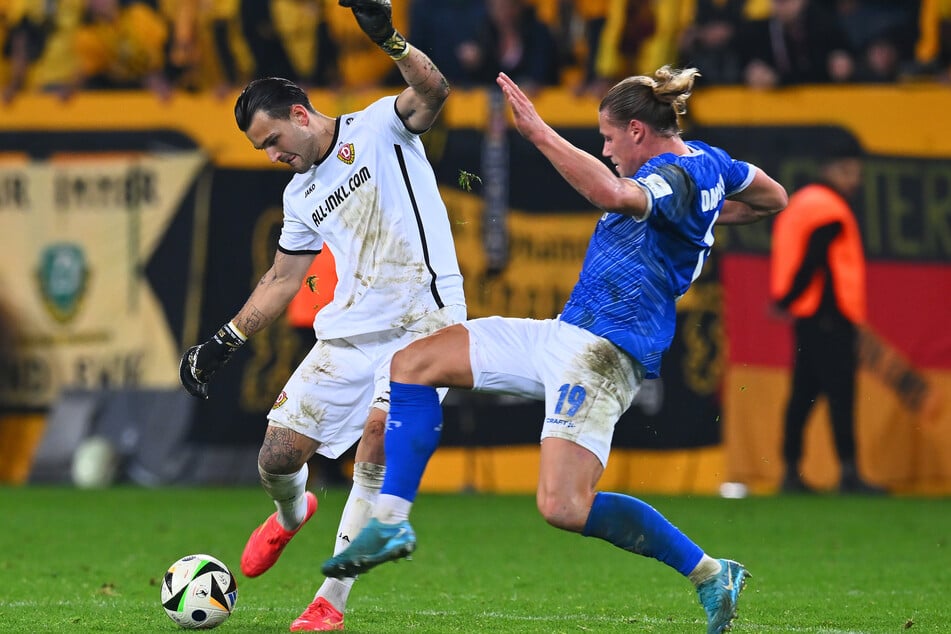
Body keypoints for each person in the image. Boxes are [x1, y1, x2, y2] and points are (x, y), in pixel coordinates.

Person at [322, 66, 789, 634]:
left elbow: (612, 192)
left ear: (638, 130)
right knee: (412, 363)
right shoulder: (713, 164)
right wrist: (710, 218)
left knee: (563, 507)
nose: (607, 148)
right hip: (565, 335)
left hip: (606, 352)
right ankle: (392, 521)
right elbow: (773, 196)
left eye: (610, 137)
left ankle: (710, 572)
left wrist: (540, 133)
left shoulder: (676, 175)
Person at [178, 0, 466, 630]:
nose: (272, 154)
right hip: (349, 333)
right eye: (260, 149)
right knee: (277, 456)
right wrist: (223, 341)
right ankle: (290, 515)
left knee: (377, 438)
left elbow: (434, 89)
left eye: (273, 140)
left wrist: (388, 38)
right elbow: (283, 277)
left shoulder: (381, 127)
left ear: (300, 115)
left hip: (424, 324)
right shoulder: (300, 192)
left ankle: (328, 604)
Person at [770, 137, 884, 495]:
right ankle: (848, 472)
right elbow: (814, 259)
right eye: (848, 171)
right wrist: (789, 298)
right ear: (829, 171)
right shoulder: (828, 207)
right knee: (840, 395)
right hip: (828, 315)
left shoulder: (804, 201)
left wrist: (787, 301)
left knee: (803, 394)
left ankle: (791, 471)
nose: (855, 180)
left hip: (810, 317)